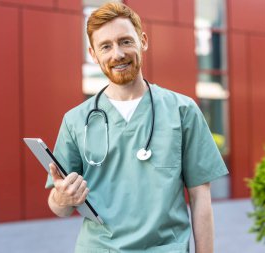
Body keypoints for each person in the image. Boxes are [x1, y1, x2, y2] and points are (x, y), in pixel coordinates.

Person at [46, 2, 228, 253]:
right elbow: (60, 208)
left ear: (143, 41)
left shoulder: (182, 111)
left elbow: (201, 198)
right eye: (106, 46)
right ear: (93, 53)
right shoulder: (76, 120)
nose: (117, 54)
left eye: (125, 41)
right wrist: (61, 197)